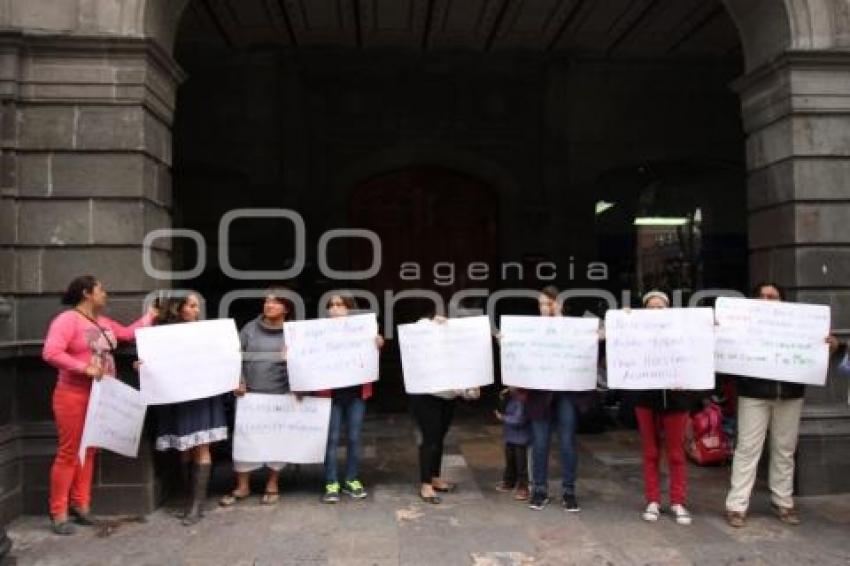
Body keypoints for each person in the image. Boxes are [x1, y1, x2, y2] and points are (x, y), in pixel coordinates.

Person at [42, 275, 153, 535]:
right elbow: (51, 352)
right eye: (101, 290)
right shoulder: (67, 320)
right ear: (86, 293)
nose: (106, 294)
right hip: (73, 394)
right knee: (69, 452)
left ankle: (81, 505)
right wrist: (85, 367)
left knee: (89, 451)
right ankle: (59, 513)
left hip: (100, 396)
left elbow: (126, 334)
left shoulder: (102, 322)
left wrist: (151, 316)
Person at [724, 283, 839, 527]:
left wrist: (830, 348)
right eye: (762, 296)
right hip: (753, 393)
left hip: (790, 395)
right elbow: (725, 351)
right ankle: (737, 505)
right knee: (747, 449)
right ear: (754, 300)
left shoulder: (797, 326)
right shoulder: (741, 326)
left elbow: (815, 359)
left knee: (784, 450)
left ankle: (783, 502)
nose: (767, 300)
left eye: (773, 296)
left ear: (782, 301)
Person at [148, 293, 228, 526]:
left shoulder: (206, 333)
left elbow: (223, 358)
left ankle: (196, 506)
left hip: (202, 395)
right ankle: (188, 500)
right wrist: (142, 363)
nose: (196, 311)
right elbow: (154, 358)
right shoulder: (161, 335)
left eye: (197, 306)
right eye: (192, 306)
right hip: (176, 396)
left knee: (201, 448)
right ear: (178, 309)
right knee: (183, 448)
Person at [220, 288, 292, 506]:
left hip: (280, 394)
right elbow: (234, 356)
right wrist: (238, 380)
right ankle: (243, 486)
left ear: (286, 309)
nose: (268, 305)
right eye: (266, 301)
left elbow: (304, 365)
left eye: (275, 302)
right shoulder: (249, 329)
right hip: (249, 395)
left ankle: (272, 484)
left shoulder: (293, 333)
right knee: (244, 440)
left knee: (277, 441)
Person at [633, 290, 699, 526]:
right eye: (651, 307)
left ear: (668, 309)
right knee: (650, 451)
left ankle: (677, 501)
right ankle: (652, 499)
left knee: (676, 452)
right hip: (645, 397)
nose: (656, 311)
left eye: (660, 307)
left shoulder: (681, 333)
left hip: (677, 398)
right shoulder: (636, 334)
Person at [408, 311, 480, 504]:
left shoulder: (463, 351)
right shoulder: (432, 331)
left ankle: (434, 477)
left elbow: (467, 380)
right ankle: (425, 484)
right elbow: (418, 327)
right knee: (430, 438)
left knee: (439, 437)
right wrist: (433, 323)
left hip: (447, 397)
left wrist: (470, 391)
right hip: (426, 396)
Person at [318, 293, 384, 503]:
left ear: (350, 309)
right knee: (332, 438)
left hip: (356, 393)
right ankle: (331, 482)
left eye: (341, 305)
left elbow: (371, 361)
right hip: (330, 394)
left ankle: (351, 479)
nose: (335, 309)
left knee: (355, 437)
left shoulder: (363, 331)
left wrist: (377, 346)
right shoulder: (317, 332)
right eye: (332, 305)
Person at [524, 286, 582, 512]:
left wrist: (559, 318)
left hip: (566, 392)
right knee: (540, 443)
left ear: (559, 305)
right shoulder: (530, 329)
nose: (544, 308)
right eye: (540, 304)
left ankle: (569, 491)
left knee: (567, 441)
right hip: (540, 394)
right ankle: (539, 489)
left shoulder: (572, 327)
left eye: (548, 304)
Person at [494, 387, 531, 501]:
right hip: (510, 436)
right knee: (510, 461)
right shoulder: (510, 398)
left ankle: (523, 486)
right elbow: (501, 407)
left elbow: (519, 420)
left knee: (521, 464)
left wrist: (503, 418)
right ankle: (509, 482)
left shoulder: (522, 400)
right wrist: (502, 397)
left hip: (521, 438)